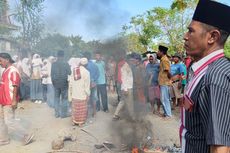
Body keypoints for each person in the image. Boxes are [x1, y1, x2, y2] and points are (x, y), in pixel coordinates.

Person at [180, 1, 230, 153]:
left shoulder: (215, 77)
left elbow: (220, 147)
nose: (185, 36)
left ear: (212, 37)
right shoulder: (199, 70)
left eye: (191, 31)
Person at [0, 53, 34, 146]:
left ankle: (27, 135)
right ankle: (3, 139)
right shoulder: (5, 71)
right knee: (2, 121)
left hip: (9, 100)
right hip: (2, 100)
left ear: (7, 60)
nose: (0, 63)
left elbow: (15, 86)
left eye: (1, 60)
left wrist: (14, 100)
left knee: (9, 121)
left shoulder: (13, 70)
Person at [69, 58, 90, 126]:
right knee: (81, 109)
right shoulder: (86, 72)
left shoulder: (74, 70)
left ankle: (74, 121)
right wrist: (88, 94)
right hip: (82, 94)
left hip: (74, 94)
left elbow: (71, 83)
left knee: (75, 109)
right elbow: (87, 85)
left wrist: (70, 93)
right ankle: (80, 122)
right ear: (86, 65)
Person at [51, 50, 71, 118]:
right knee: (64, 99)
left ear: (57, 56)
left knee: (56, 99)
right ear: (63, 56)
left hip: (56, 84)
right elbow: (70, 73)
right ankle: (63, 114)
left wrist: (53, 83)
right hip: (64, 84)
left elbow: (52, 75)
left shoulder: (53, 64)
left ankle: (57, 114)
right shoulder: (66, 64)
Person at [157, 45, 172, 119]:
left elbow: (168, 71)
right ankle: (166, 113)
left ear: (162, 52)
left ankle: (168, 115)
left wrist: (169, 79)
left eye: (158, 51)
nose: (157, 52)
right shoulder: (162, 59)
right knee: (163, 98)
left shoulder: (165, 60)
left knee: (164, 99)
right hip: (162, 82)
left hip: (165, 82)